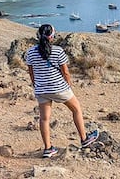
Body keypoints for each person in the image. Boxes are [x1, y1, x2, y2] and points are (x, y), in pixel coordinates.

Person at [26, 24, 98, 158]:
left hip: (42, 89)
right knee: (76, 110)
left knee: (44, 119)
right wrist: (68, 85)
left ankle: (48, 149)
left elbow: (31, 73)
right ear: (52, 36)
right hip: (59, 88)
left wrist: (37, 85)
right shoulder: (58, 51)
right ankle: (84, 139)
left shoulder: (30, 52)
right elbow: (65, 72)